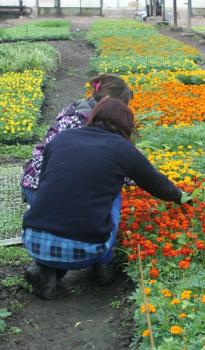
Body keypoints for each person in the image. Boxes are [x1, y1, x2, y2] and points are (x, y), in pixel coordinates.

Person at [22, 98, 186, 300]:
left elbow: (46, 180)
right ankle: (103, 266)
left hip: (32, 239)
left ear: (93, 117)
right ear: (127, 126)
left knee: (61, 192)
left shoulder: (61, 139)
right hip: (87, 250)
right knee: (114, 192)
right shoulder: (123, 149)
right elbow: (157, 185)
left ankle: (45, 270)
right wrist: (180, 197)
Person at [21, 73, 133, 206]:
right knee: (109, 190)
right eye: (124, 104)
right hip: (42, 189)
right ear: (108, 101)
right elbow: (106, 162)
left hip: (34, 183)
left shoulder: (77, 111)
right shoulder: (84, 123)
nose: (125, 110)